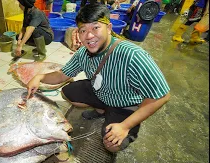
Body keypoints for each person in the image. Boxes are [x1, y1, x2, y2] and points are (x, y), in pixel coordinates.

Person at [26, 3, 170, 152]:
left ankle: (120, 119)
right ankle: (102, 110)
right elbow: (62, 75)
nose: (89, 36)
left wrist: (124, 126)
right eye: (83, 30)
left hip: (124, 104)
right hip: (102, 92)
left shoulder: (132, 54)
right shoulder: (83, 54)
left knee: (112, 145)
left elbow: (162, 96)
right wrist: (40, 77)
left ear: (108, 28)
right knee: (68, 92)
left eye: (95, 28)